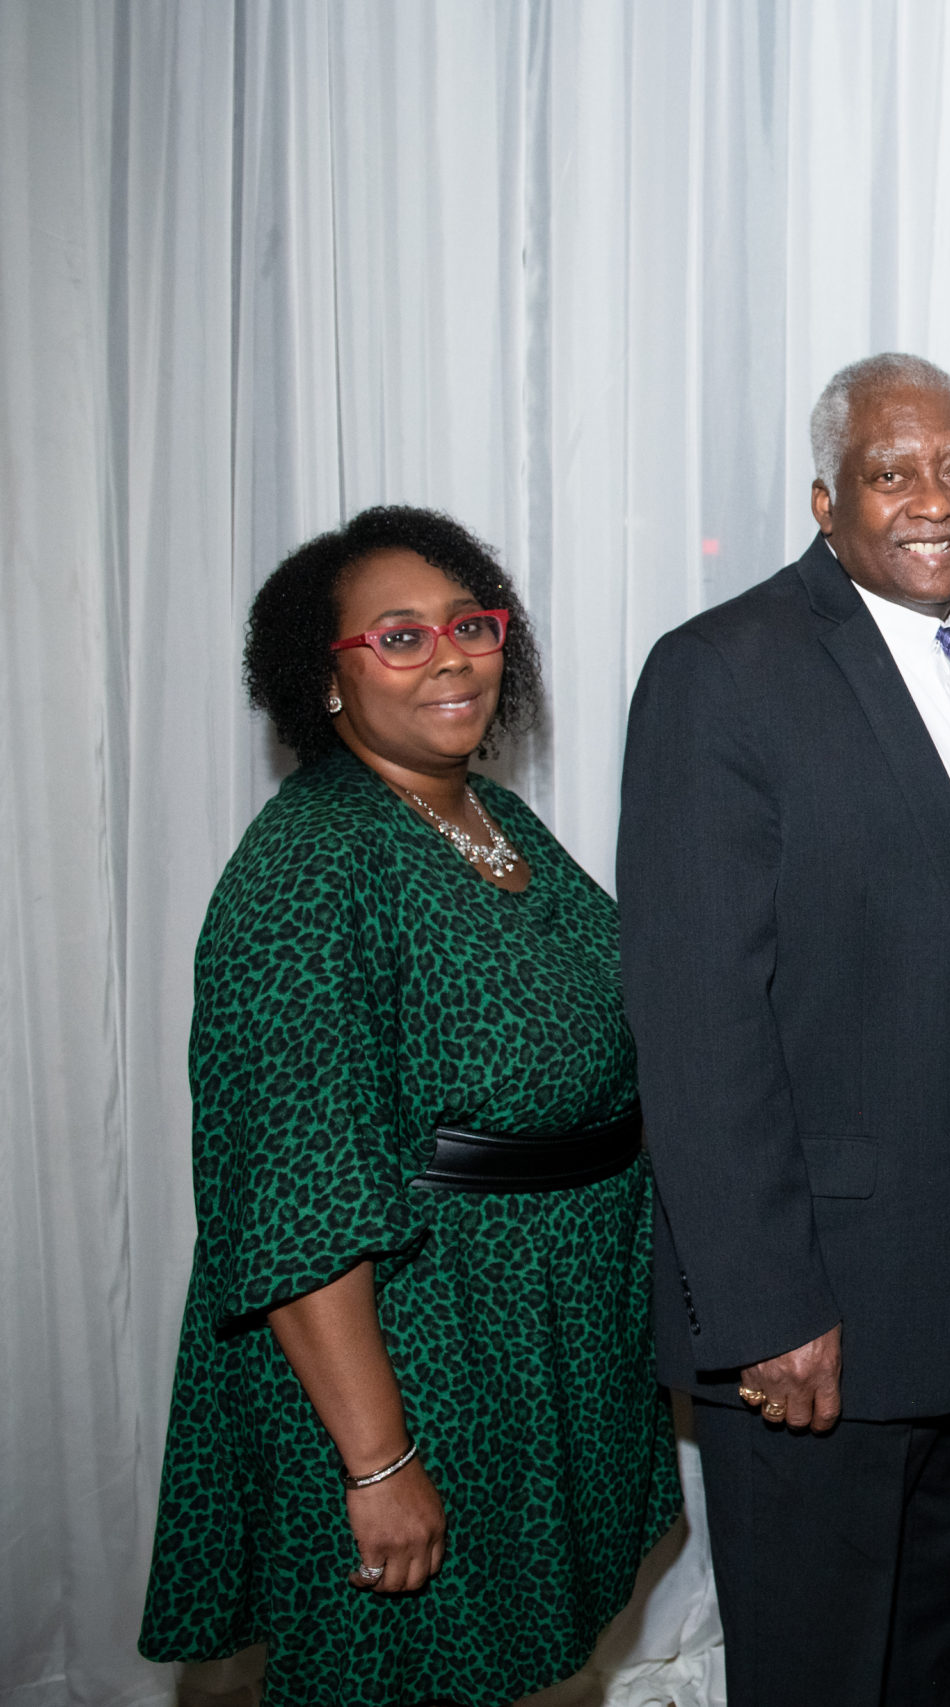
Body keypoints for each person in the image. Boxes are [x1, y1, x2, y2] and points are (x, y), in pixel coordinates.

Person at [138, 507, 678, 1707]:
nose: (449, 655)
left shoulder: (483, 815)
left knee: (506, 1664)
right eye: (397, 637)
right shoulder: (310, 868)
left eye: (470, 625)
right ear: (321, 679)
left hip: (537, 1334)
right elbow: (294, 1203)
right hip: (422, 1351)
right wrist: (379, 1462)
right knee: (400, 1670)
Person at [617, 354, 950, 1707]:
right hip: (815, 1309)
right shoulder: (720, 674)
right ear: (826, 497)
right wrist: (766, 1305)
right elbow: (697, 1021)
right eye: (892, 470)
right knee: (816, 1670)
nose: (937, 497)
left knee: (949, 1652)